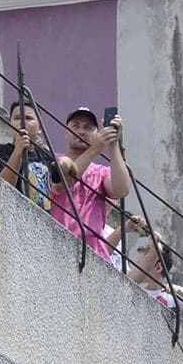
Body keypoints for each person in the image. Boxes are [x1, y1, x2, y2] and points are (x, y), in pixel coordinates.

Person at [50, 107, 131, 262]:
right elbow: (60, 185)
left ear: (96, 134)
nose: (81, 131)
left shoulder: (101, 172)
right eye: (76, 126)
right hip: (57, 246)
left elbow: (121, 190)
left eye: (88, 128)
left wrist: (113, 145)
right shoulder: (53, 159)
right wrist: (96, 149)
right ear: (65, 132)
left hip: (94, 255)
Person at [0, 99, 55, 209]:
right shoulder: (2, 151)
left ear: (40, 128)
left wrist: (67, 163)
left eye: (28, 118)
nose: (22, 122)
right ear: (10, 124)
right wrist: (18, 150)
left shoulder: (45, 156)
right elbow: (1, 188)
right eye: (17, 118)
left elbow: (65, 182)